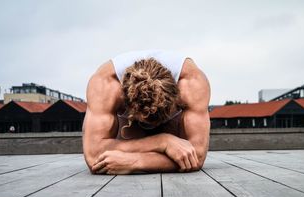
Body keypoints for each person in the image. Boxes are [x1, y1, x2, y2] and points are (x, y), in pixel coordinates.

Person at [82, 49, 210, 174]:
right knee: (129, 133)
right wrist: (163, 141)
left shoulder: (192, 83)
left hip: (172, 129)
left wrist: (135, 161)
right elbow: (94, 156)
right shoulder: (106, 84)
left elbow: (196, 157)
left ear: (177, 96)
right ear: (123, 98)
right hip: (129, 128)